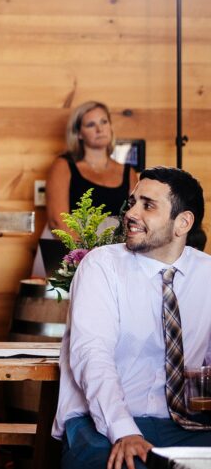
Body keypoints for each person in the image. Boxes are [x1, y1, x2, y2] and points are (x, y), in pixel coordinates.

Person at [54, 166, 211, 469]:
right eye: (133, 202)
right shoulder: (102, 267)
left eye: (148, 205)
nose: (131, 213)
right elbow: (92, 355)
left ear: (183, 223)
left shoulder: (206, 273)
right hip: (101, 422)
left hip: (188, 424)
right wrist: (123, 431)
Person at [36, 101, 138, 275]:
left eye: (103, 122)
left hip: (115, 258)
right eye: (91, 125)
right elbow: (57, 221)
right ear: (79, 134)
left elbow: (134, 220)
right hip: (69, 252)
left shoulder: (129, 172)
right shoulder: (63, 166)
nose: (100, 129)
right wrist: (87, 255)